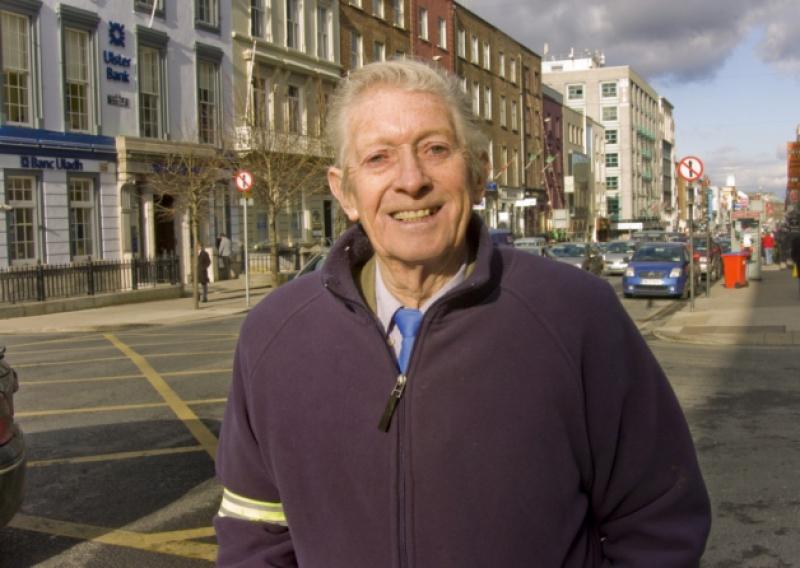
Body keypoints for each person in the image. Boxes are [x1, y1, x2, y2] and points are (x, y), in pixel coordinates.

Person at [214, 60, 710, 566]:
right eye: (379, 157)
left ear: (477, 174)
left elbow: (659, 520)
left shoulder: (578, 315)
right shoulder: (274, 334)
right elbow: (253, 529)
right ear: (345, 192)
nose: (411, 180)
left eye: (434, 149)